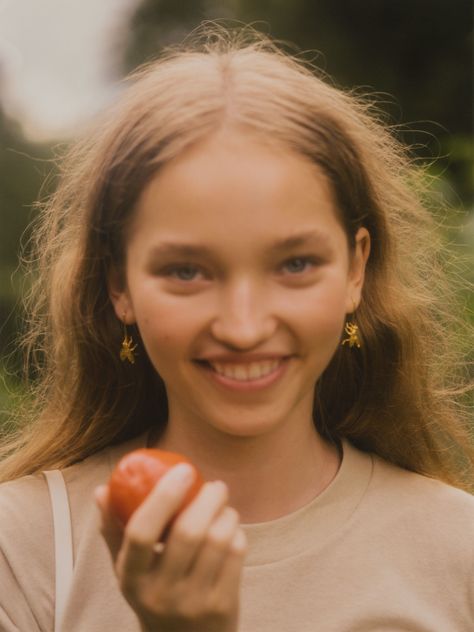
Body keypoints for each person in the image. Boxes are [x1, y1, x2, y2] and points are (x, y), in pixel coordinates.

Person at [0, 25, 473, 632]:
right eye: (188, 271)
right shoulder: (25, 550)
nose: (244, 327)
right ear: (119, 285)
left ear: (356, 268)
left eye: (295, 264)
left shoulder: (455, 552)